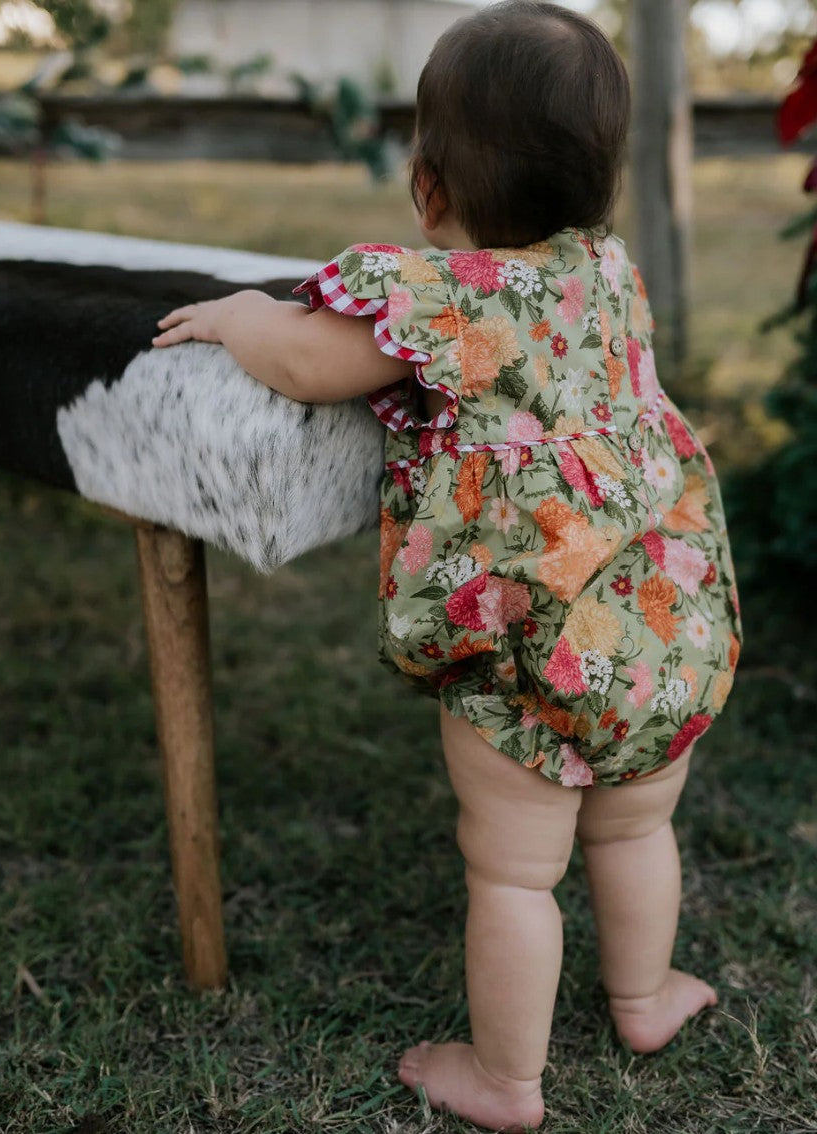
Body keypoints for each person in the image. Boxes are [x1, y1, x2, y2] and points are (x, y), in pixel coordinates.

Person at [152, 3, 742, 1128]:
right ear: (599, 183)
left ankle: (505, 1079)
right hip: (663, 622)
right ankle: (644, 993)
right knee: (633, 826)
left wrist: (237, 316)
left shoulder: (447, 298)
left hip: (529, 651)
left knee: (515, 873)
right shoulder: (605, 276)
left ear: (428, 188)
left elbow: (305, 360)